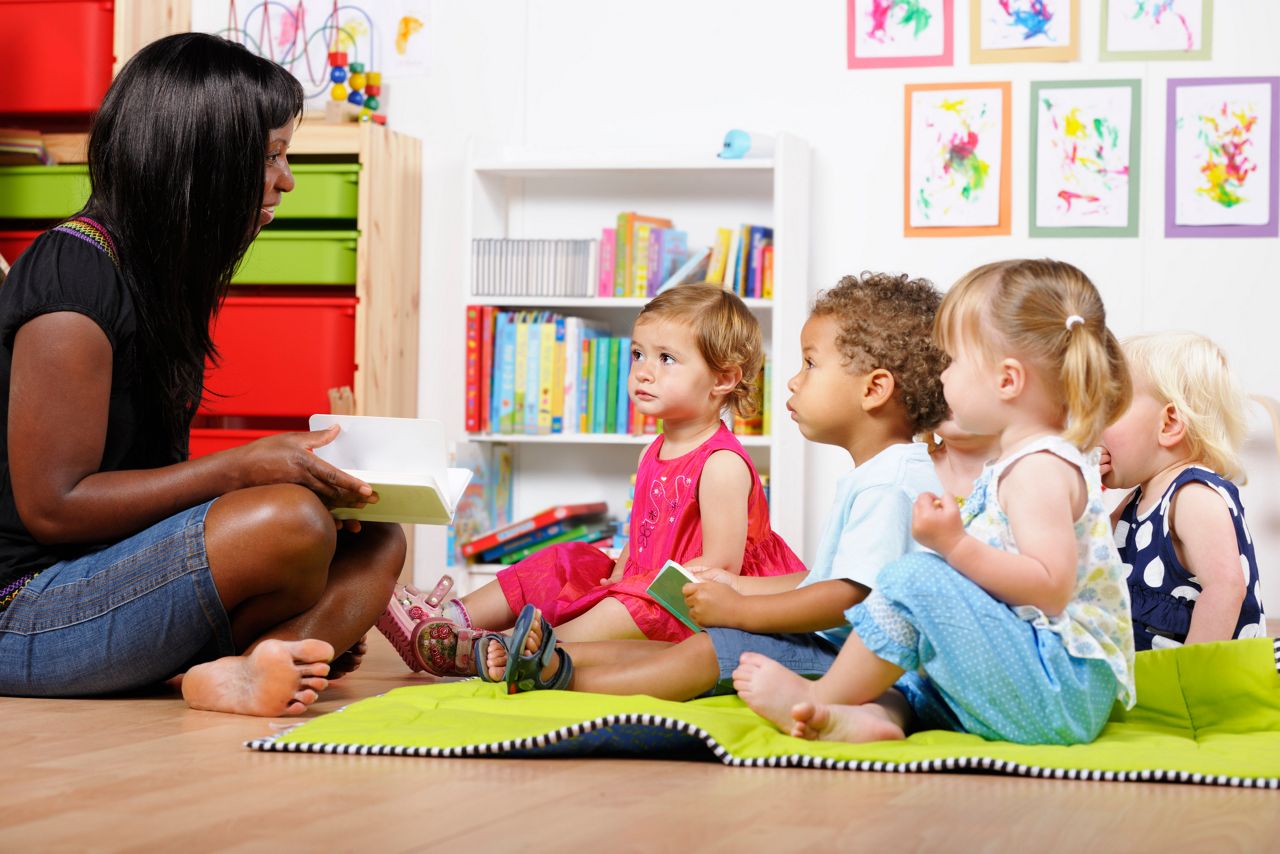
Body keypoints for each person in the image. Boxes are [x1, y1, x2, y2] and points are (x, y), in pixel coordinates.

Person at [0, 34, 405, 717]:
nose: (286, 180)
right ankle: (277, 656)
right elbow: (53, 505)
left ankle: (268, 664)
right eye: (271, 157)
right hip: (25, 612)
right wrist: (242, 467)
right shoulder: (75, 280)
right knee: (290, 519)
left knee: (378, 535)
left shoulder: (156, 276)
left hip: (111, 580)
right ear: (205, 162)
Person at [477, 272, 951, 699]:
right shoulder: (880, 475)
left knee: (707, 653)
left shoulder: (887, 486)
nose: (791, 380)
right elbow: (826, 578)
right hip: (846, 649)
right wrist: (738, 585)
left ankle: (564, 678)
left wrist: (741, 610)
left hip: (867, 667)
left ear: (874, 389)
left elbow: (847, 597)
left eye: (809, 364)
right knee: (689, 647)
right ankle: (553, 660)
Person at [733, 259, 1135, 747]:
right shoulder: (1017, 462)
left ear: (1007, 380)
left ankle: (824, 698)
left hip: (1061, 689)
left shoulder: (1039, 469)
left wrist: (956, 546)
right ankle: (879, 718)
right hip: (1034, 673)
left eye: (954, 362)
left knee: (913, 578)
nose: (941, 378)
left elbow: (1050, 589)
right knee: (914, 657)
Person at [378, 284, 806, 676]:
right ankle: (453, 620)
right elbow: (640, 538)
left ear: (724, 378)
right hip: (642, 583)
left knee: (630, 606)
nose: (643, 371)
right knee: (566, 559)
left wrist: (628, 590)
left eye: (667, 359)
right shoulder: (653, 451)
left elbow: (718, 572)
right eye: (638, 354)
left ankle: (511, 651)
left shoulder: (722, 464)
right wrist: (617, 574)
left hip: (691, 602)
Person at [1100, 332, 1267, 650]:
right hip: (1151, 679)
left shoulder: (1192, 495)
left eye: (1108, 410)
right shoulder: (1136, 501)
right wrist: (1083, 490)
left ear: (1169, 424)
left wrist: (1190, 675)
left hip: (1195, 688)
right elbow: (1086, 550)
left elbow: (1226, 589)